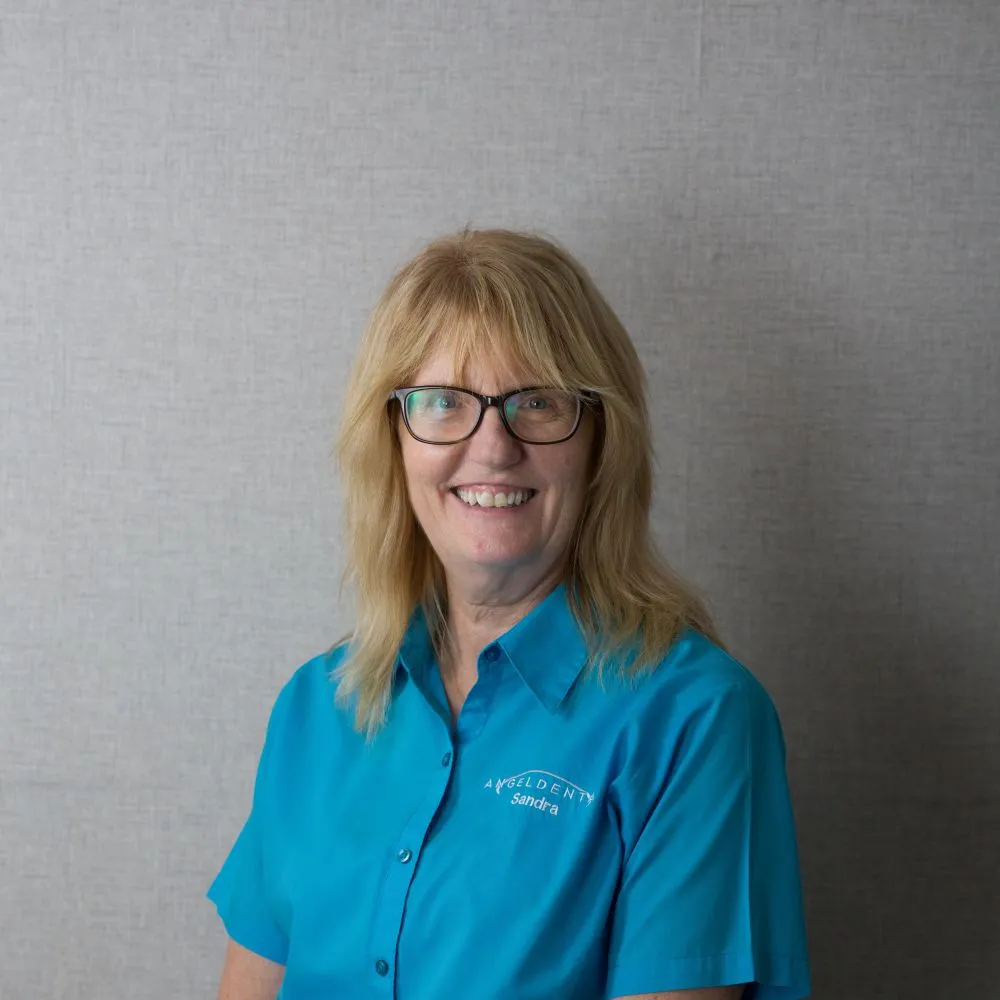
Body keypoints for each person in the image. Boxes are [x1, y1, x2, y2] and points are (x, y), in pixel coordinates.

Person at [207, 228, 812, 1000]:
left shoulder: (694, 719)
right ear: (392, 440)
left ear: (601, 441)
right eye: (443, 403)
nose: (493, 446)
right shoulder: (317, 707)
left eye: (538, 402)